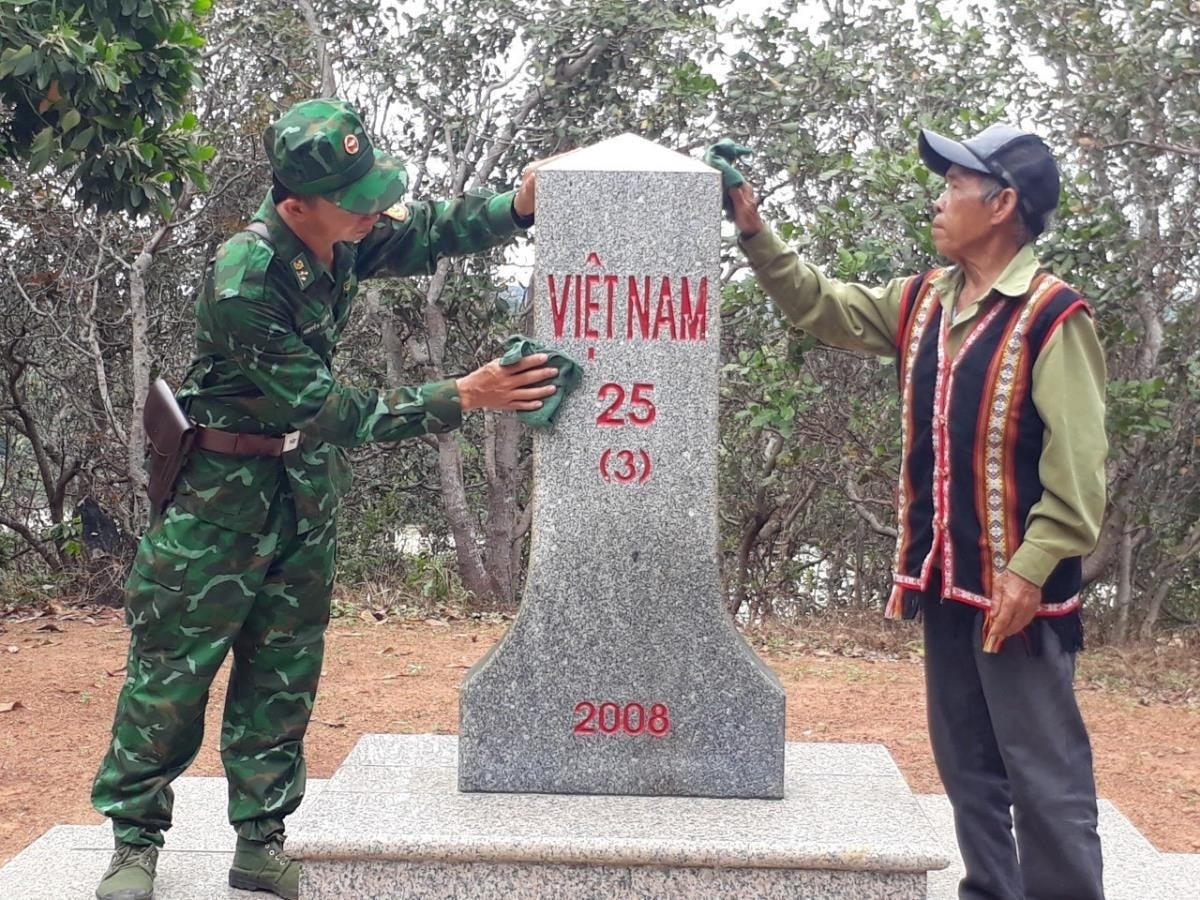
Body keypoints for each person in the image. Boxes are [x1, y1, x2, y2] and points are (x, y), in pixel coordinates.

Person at [91, 98, 558, 900]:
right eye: (357, 200)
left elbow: (426, 230)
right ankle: (134, 843)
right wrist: (467, 393)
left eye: (373, 191)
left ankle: (261, 841)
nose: (373, 209)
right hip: (219, 498)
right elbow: (337, 411)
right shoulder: (245, 280)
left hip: (302, 489)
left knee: (282, 669)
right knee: (173, 673)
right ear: (294, 203)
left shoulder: (341, 232)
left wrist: (514, 208)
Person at [718, 124, 1108, 899]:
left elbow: (1079, 471)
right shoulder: (926, 301)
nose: (938, 200)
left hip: (1017, 596)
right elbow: (819, 306)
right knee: (967, 766)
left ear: (1002, 205)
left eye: (954, 186)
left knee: (1043, 778)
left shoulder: (1053, 316)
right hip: (944, 582)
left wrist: (1030, 574)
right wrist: (754, 230)